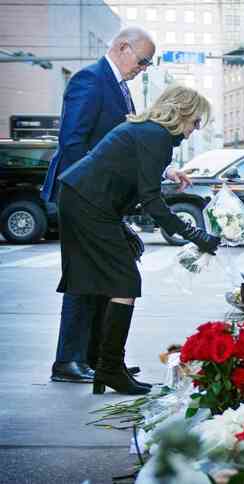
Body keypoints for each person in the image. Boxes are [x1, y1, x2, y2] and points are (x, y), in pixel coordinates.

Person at [42, 27, 192, 383]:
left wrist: (165, 168)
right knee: (82, 277)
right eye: (143, 60)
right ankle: (68, 361)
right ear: (123, 48)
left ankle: (95, 360)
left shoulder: (121, 88)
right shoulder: (90, 80)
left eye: (149, 63)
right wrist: (88, 193)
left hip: (95, 198)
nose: (144, 67)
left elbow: (129, 140)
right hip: (82, 195)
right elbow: (73, 143)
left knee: (100, 275)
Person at [56, 85, 220, 395]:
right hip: (89, 203)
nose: (194, 130)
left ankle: (103, 363)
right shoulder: (156, 136)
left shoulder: (150, 133)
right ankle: (109, 367)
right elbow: (151, 200)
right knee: (124, 282)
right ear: (182, 112)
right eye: (195, 122)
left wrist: (167, 172)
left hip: (84, 199)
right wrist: (194, 234)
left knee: (109, 280)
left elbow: (139, 173)